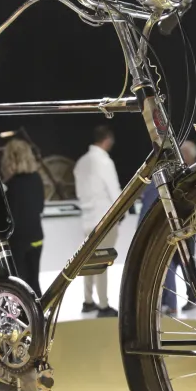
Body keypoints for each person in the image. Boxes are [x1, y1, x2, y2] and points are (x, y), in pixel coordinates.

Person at [138, 140, 196, 316]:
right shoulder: (170, 173)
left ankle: (186, 299)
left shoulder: (195, 171)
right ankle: (180, 300)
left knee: (183, 263)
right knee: (177, 262)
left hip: (187, 225)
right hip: (176, 225)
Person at [73, 126, 120, 317]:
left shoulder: (81, 162)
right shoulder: (103, 161)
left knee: (89, 261)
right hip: (105, 217)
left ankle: (88, 301)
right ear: (107, 140)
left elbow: (78, 192)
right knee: (103, 261)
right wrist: (120, 213)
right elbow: (114, 190)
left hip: (88, 218)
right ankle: (103, 305)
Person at [1, 138, 45, 296]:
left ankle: (25, 319)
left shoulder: (10, 185)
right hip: (37, 237)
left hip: (17, 241)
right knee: (34, 282)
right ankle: (41, 316)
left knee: (20, 286)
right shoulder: (37, 179)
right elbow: (40, 207)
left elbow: (10, 217)